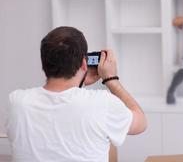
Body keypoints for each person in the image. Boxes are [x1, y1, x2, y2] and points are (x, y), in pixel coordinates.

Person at [6, 26, 147, 162]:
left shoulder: (18, 102)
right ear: (84, 64)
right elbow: (141, 123)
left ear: (43, 63)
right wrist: (111, 79)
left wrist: (79, 82)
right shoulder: (102, 104)